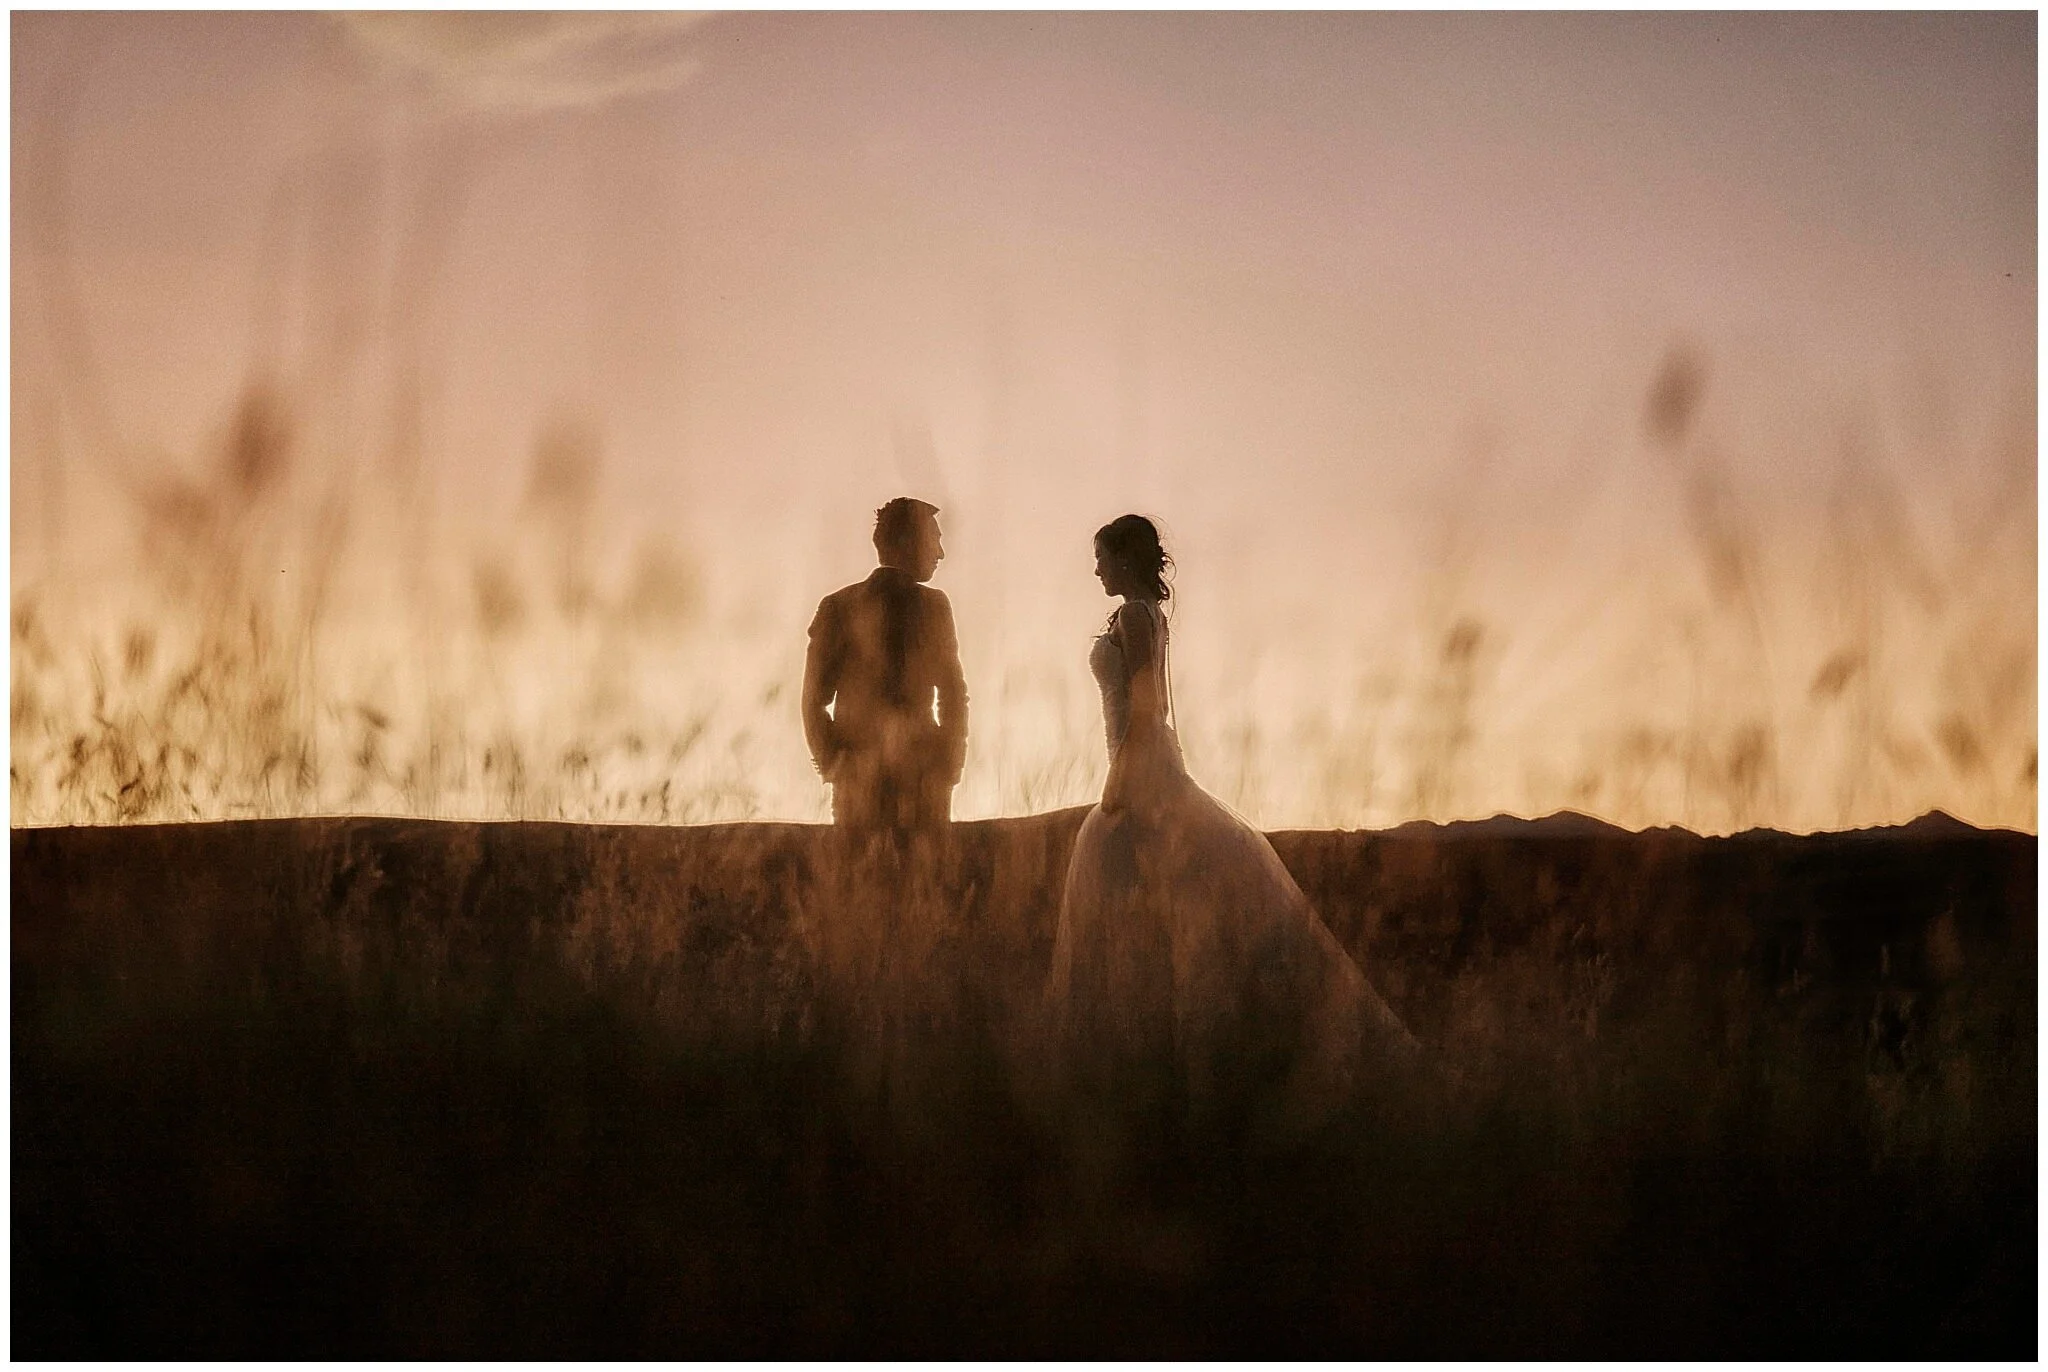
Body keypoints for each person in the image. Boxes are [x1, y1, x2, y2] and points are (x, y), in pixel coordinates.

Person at [1045, 514, 1413, 1146]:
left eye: (1101, 555)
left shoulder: (1136, 618)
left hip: (1141, 780)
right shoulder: (1137, 617)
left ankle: (1156, 1082)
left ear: (1125, 558)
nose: (1096, 567)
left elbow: (1146, 707)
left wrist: (1122, 783)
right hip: (1143, 772)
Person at [801, 497, 969, 832]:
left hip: (859, 782)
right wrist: (947, 766)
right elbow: (953, 693)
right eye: (935, 539)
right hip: (923, 780)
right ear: (909, 543)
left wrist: (838, 766)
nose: (940, 552)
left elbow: (813, 702)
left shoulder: (837, 606)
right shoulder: (933, 606)